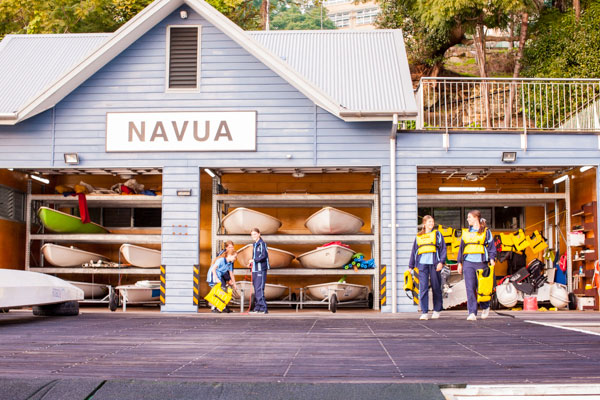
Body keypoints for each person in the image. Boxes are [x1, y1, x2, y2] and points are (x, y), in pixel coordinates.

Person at [457, 210, 496, 321]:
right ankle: (472, 312)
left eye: (469, 217)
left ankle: (485, 306)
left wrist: (492, 258)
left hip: (481, 262)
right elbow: (461, 248)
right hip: (468, 263)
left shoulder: (486, 232)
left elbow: (491, 247)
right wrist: (459, 262)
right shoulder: (466, 233)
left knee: (482, 286)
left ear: (476, 218)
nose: (467, 219)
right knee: (470, 288)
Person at [408, 215, 447, 320]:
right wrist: (411, 266)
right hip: (422, 265)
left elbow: (443, 249)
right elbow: (414, 251)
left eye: (432, 222)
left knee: (436, 287)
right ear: (424, 224)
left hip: (434, 264)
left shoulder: (438, 235)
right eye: (429, 222)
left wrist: (441, 262)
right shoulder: (418, 236)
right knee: (423, 288)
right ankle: (424, 312)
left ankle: (437, 310)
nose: (431, 224)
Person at [206, 241, 235, 313]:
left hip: (220, 276)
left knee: (223, 291)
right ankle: (214, 308)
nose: (235, 259)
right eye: (229, 247)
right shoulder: (222, 258)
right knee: (218, 292)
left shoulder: (230, 262)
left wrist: (233, 283)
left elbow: (231, 273)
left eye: (232, 247)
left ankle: (222, 307)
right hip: (214, 275)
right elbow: (214, 269)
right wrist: (217, 279)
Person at [248, 227, 270, 314]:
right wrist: (251, 263)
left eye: (255, 234)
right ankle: (257, 308)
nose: (253, 236)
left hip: (261, 269)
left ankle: (263, 308)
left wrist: (254, 260)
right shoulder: (254, 244)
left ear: (259, 234)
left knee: (259, 288)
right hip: (255, 270)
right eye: (252, 234)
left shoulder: (262, 244)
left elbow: (264, 256)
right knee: (256, 289)